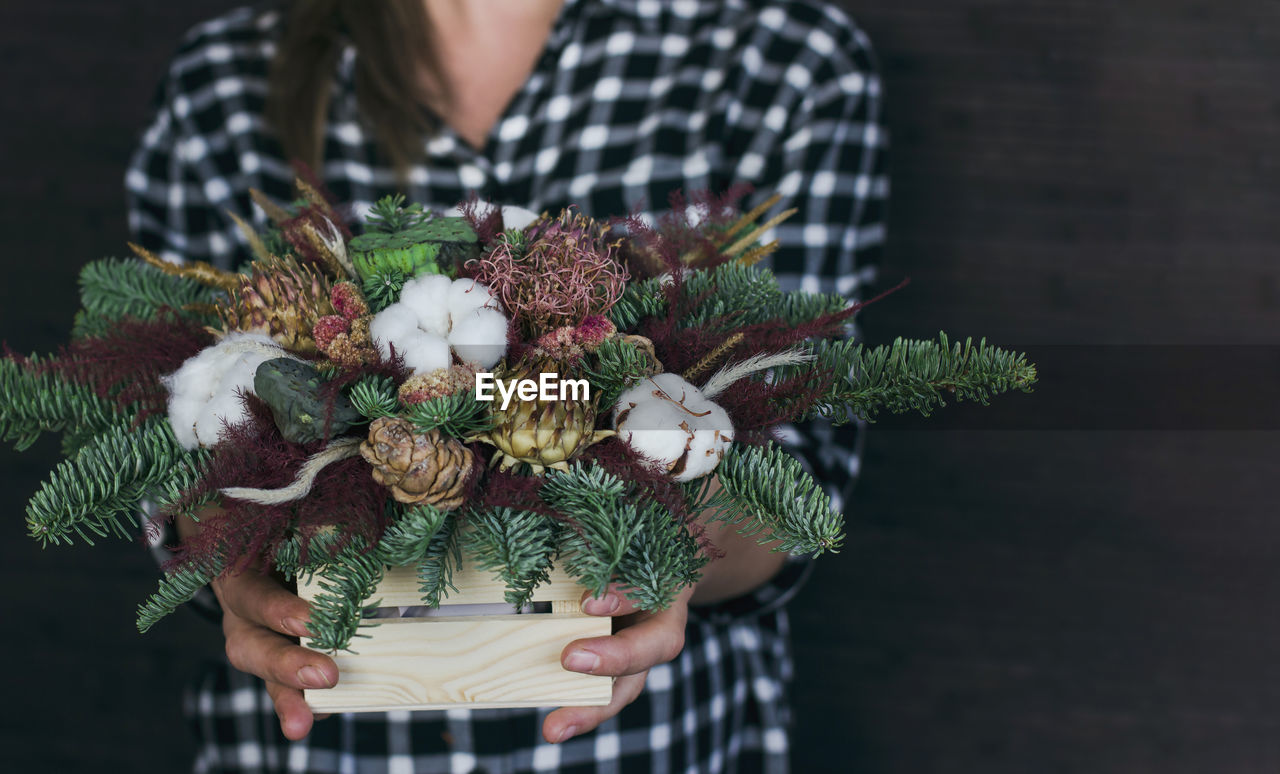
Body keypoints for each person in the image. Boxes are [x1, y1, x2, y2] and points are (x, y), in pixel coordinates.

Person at [126, 0, 887, 771]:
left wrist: (670, 536)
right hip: (318, 745)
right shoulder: (225, 80)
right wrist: (228, 546)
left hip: (649, 748)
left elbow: (799, 470)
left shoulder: (776, 59)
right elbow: (171, 436)